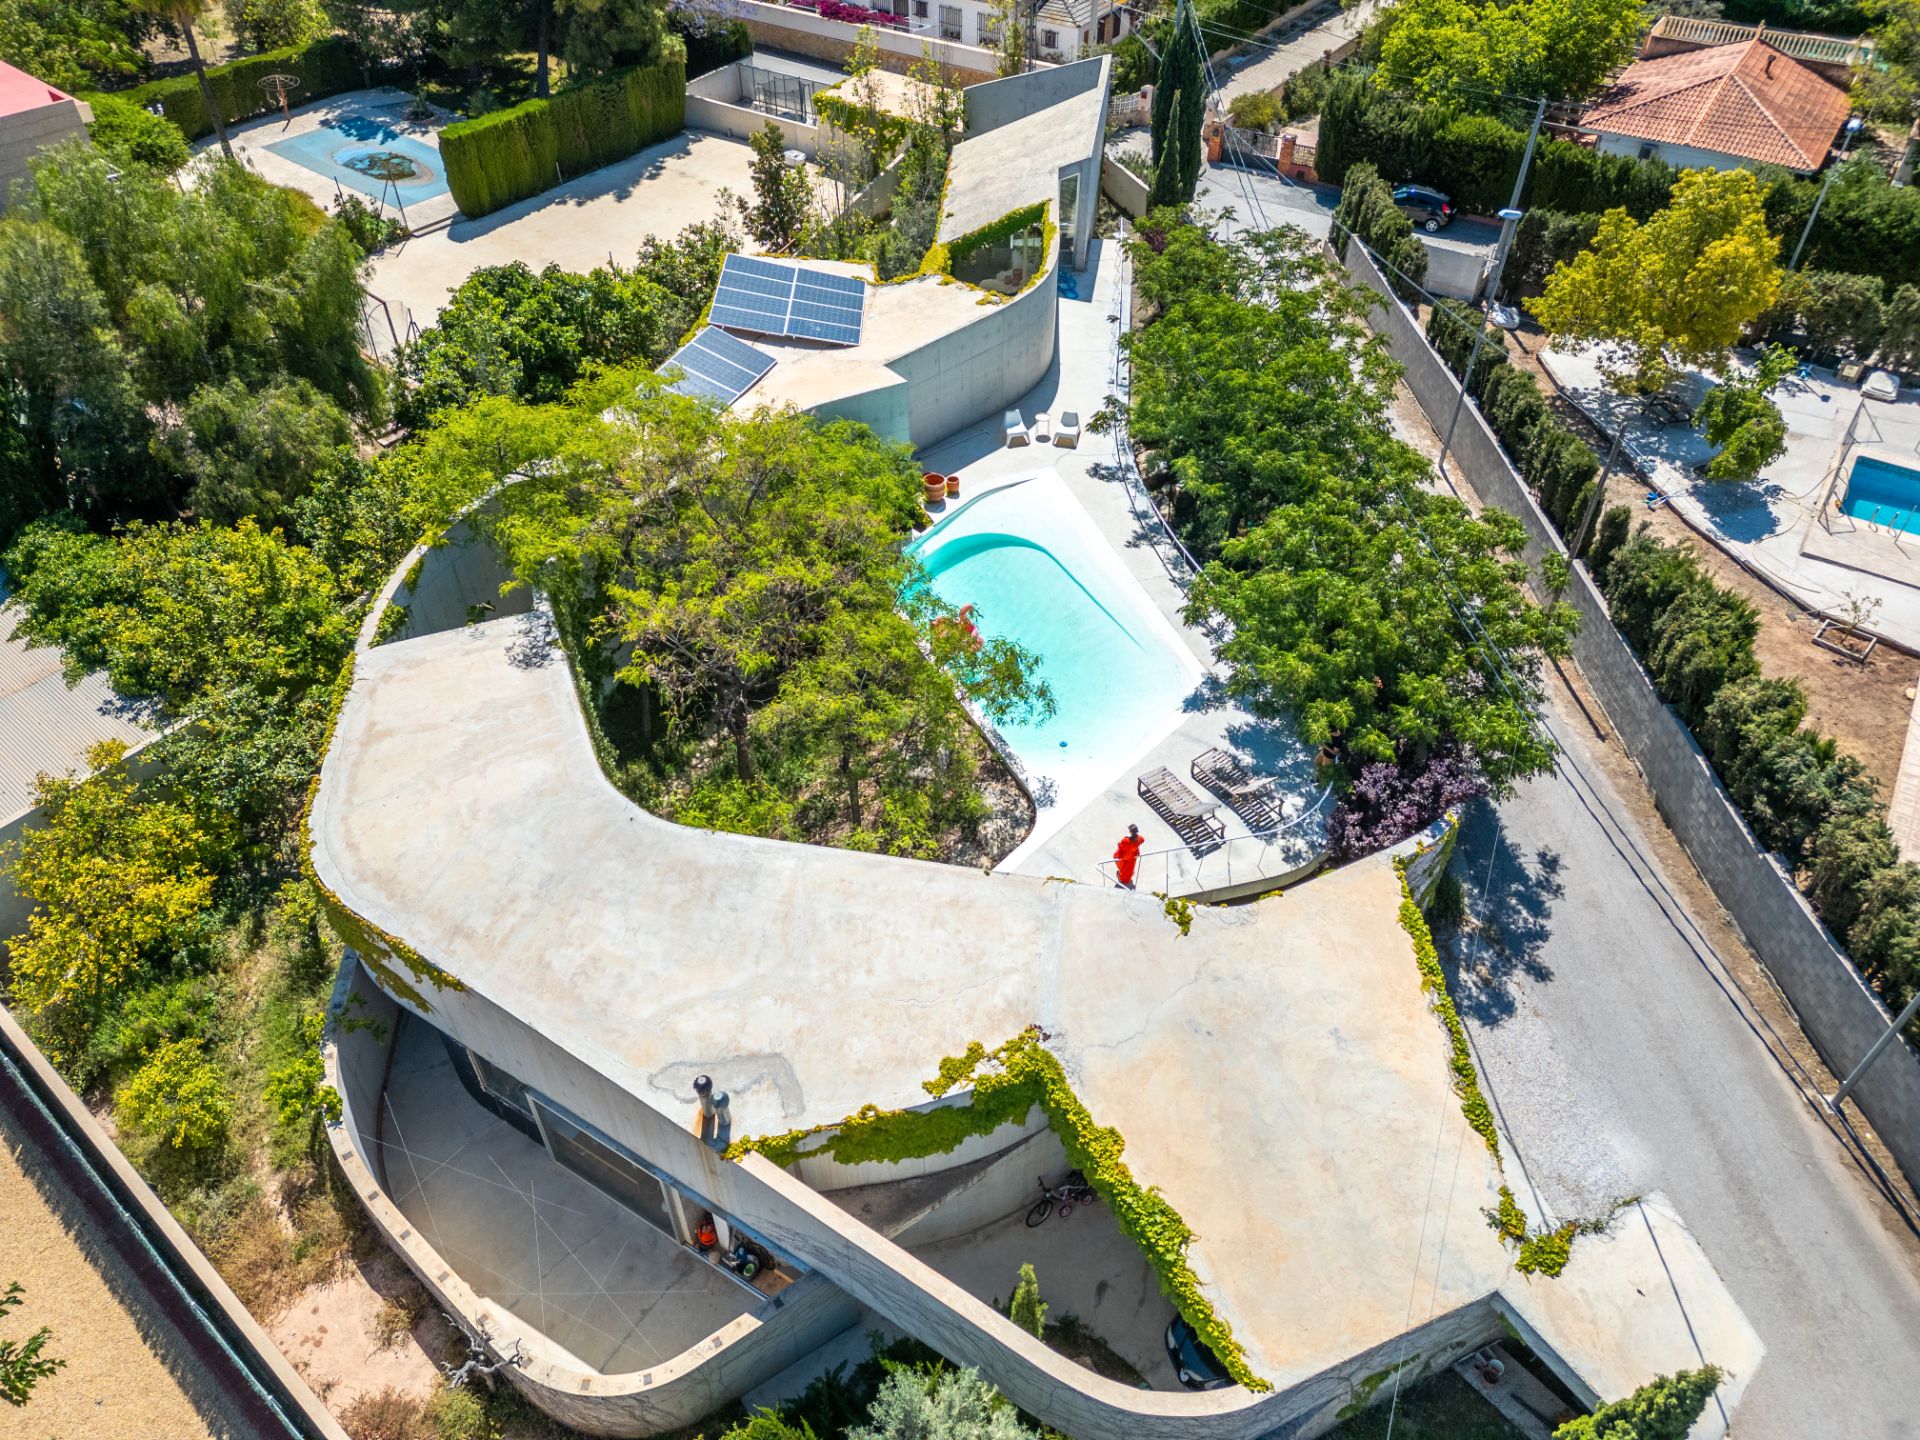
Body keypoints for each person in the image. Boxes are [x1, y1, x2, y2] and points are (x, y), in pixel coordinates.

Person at [1113, 824, 1144, 889]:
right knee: (1128, 869)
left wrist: (1126, 838)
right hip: (1132, 857)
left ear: (1130, 832)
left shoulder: (1125, 841)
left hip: (1125, 856)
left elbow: (1120, 845)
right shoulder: (1139, 839)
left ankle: (1121, 877)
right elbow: (1142, 840)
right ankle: (1122, 876)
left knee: (1122, 867)